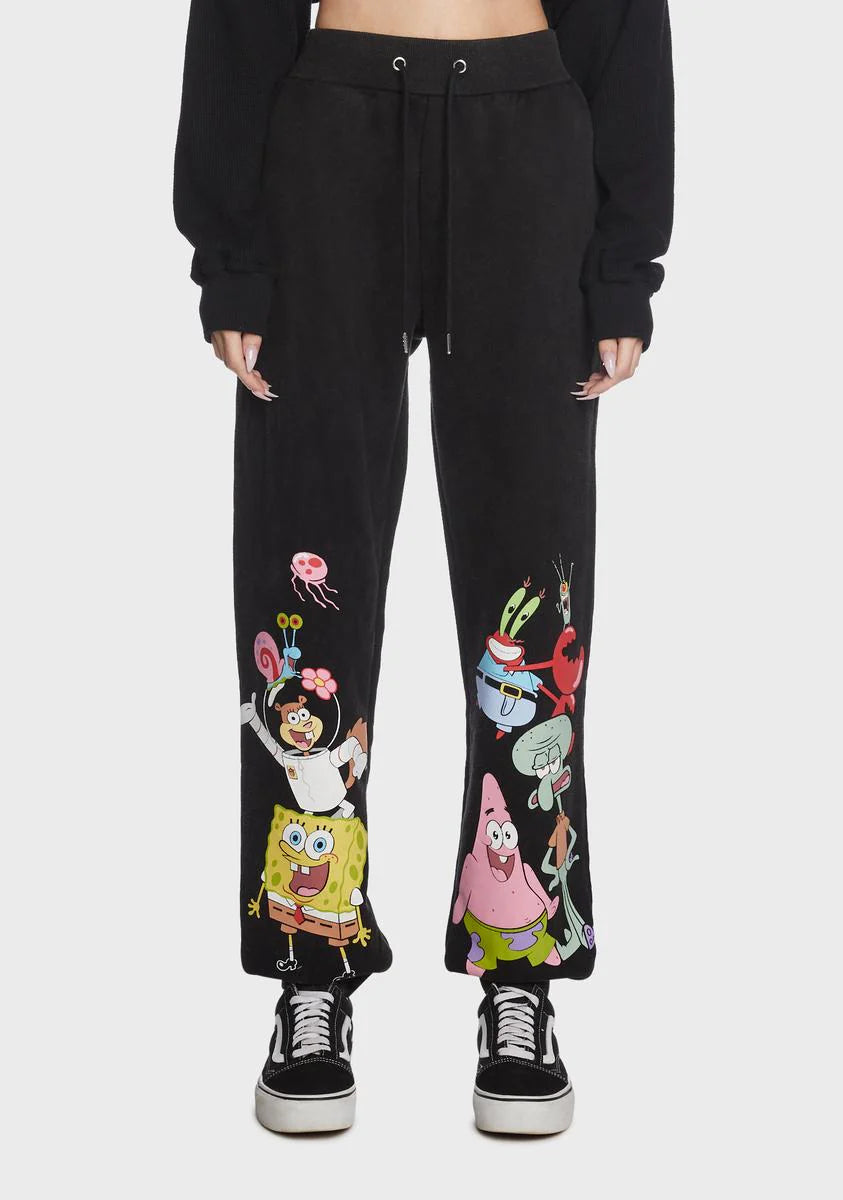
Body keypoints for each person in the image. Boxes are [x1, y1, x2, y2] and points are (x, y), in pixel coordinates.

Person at [174, 0, 673, 1136]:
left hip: (527, 138)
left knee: (530, 588)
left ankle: (520, 965)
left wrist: (622, 264)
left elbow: (623, 18)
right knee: (307, 571)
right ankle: (311, 957)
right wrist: (232, 259)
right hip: (329, 141)